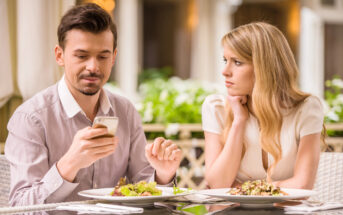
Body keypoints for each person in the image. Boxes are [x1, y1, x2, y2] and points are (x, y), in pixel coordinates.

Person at [5, 3, 182, 206]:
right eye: (82, 56)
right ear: (59, 55)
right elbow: (20, 207)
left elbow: (145, 189)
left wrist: (163, 176)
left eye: (103, 56)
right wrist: (69, 164)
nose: (93, 67)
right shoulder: (30, 118)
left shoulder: (125, 111)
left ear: (114, 57)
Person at [202, 22, 324, 189]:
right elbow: (218, 184)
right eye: (225, 60)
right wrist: (239, 120)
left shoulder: (306, 109)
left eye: (237, 62)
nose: (225, 71)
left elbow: (302, 185)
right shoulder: (216, 108)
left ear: (264, 67)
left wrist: (245, 189)